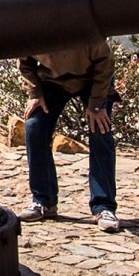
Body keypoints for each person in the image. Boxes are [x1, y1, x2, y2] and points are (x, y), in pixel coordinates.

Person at [17, 40, 122, 231]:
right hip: (52, 81)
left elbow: (106, 62)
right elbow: (24, 63)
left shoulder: (82, 23)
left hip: (93, 80)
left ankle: (104, 206)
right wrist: (35, 93)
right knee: (34, 127)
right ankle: (43, 201)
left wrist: (97, 104)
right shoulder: (31, 27)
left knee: (100, 130)